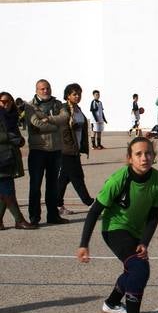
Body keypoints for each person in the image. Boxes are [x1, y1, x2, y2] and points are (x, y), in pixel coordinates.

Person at [76, 137, 158, 313]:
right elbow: (94, 211)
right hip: (114, 229)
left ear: (154, 157)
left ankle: (112, 302)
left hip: (136, 232)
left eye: (148, 153)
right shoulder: (118, 179)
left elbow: (154, 215)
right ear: (129, 158)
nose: (144, 158)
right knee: (139, 268)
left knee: (132, 269)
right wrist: (84, 244)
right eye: (138, 154)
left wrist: (145, 241)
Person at [24, 79, 70, 226]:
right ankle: (34, 218)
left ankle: (53, 216)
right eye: (42, 89)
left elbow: (65, 117)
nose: (46, 91)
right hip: (38, 150)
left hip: (55, 150)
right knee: (35, 185)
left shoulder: (57, 104)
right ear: (37, 90)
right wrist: (55, 127)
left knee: (52, 186)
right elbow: (35, 124)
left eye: (48, 88)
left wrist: (48, 119)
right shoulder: (30, 105)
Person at [57, 83, 94, 216]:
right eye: (74, 94)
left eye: (79, 94)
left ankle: (57, 205)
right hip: (67, 150)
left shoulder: (77, 109)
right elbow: (62, 128)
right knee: (77, 177)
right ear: (68, 95)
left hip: (75, 149)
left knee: (64, 179)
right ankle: (90, 202)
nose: (77, 96)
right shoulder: (64, 109)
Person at [0, 92, 34, 229]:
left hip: (9, 156)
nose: (5, 104)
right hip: (1, 158)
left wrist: (19, 140)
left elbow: (15, 134)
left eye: (8, 101)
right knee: (8, 190)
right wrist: (11, 137)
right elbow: (8, 135)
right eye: (2, 101)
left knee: (4, 190)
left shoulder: (11, 117)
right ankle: (19, 220)